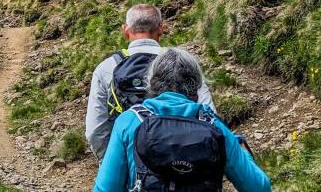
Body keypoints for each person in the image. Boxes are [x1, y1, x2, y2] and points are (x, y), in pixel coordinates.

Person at [93, 48, 271, 192]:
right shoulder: (214, 125)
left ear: (151, 82)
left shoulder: (130, 121)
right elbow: (259, 187)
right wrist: (242, 150)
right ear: (197, 87)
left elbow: (105, 188)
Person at [85, 4, 215, 160]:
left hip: (129, 159)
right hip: (181, 158)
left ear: (125, 30)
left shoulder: (106, 68)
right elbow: (209, 113)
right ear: (161, 28)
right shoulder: (183, 62)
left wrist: (112, 161)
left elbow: (95, 130)